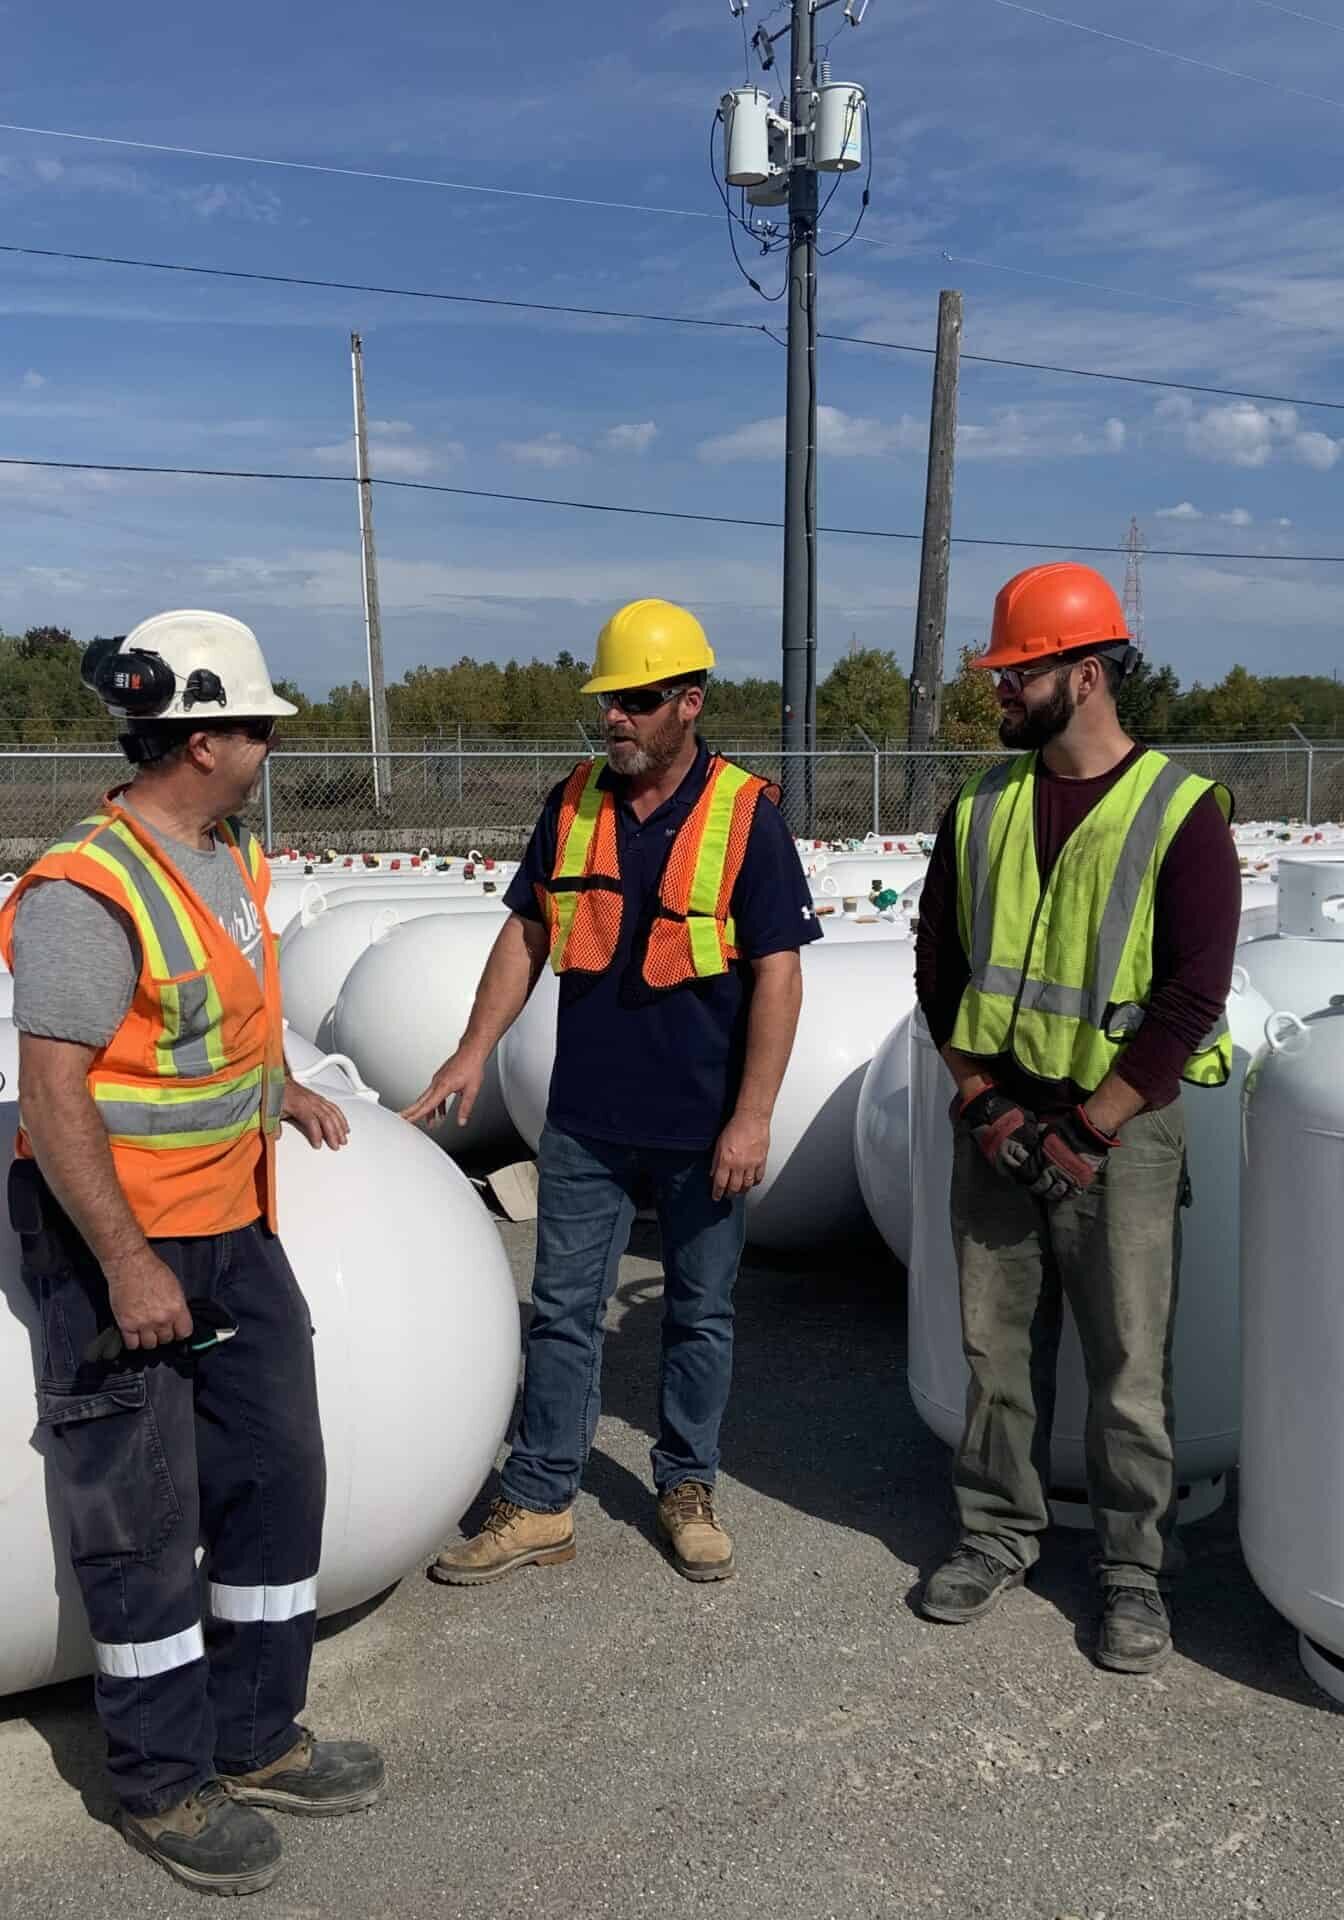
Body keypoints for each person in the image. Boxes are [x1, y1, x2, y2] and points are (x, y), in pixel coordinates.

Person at [0, 611, 384, 1897]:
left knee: (279, 1472)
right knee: (144, 1520)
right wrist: (126, 1264)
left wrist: (280, 1086)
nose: (271, 745)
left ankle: (256, 1733)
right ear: (203, 737)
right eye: (260, 728)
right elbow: (56, 1093)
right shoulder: (83, 889)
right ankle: (163, 1785)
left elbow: (224, 1005)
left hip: (233, 1229)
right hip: (117, 1250)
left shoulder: (228, 858)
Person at [405, 598, 821, 1586]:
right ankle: (543, 1499)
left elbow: (778, 971)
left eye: (637, 701)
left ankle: (686, 1484)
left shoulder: (746, 817)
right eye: (609, 702)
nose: (616, 720)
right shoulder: (573, 802)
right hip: (586, 1118)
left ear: (690, 700)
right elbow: (529, 931)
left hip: (704, 1126)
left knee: (700, 1313)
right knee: (559, 1309)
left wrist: (754, 1115)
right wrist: (473, 1049)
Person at [912, 563, 1241, 1674]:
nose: (1000, 694)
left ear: (1086, 674)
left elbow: (1195, 993)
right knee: (992, 1352)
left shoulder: (1183, 815)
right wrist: (980, 1098)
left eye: (1018, 674)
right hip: (998, 1120)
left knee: (1128, 1367)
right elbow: (939, 970)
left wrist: (1091, 1127)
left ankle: (1133, 1571)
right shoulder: (980, 809)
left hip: (1123, 1136)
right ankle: (998, 1532)